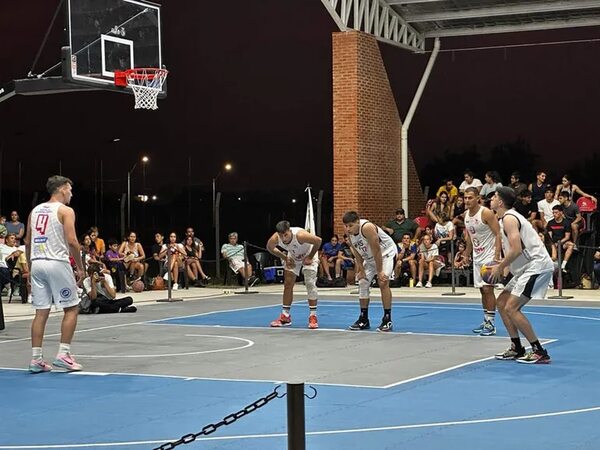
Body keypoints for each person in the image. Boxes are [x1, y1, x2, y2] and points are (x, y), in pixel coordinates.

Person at [24, 175, 85, 373]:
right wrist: (80, 267)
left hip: (37, 262)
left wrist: (31, 268)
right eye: (69, 189)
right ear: (61, 189)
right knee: (72, 308)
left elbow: (27, 241)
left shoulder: (34, 211)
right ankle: (64, 354)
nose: (71, 193)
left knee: (41, 312)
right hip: (57, 262)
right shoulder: (65, 210)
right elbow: (73, 241)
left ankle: (36, 359)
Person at [489, 187, 554, 364]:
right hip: (526, 267)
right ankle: (517, 347)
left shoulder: (509, 218)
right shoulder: (504, 218)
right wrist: (504, 264)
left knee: (511, 307)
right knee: (501, 302)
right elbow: (516, 249)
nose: (491, 199)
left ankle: (539, 351)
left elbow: (517, 249)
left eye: (494, 197)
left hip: (536, 265)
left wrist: (500, 266)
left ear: (501, 202)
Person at [343, 211, 397, 331]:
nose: (348, 228)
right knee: (362, 282)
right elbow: (356, 253)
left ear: (358, 222)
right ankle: (363, 318)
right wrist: (361, 270)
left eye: (350, 225)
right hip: (370, 257)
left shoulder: (367, 228)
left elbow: (377, 250)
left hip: (385, 254)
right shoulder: (349, 234)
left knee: (383, 282)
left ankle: (387, 319)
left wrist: (380, 271)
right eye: (346, 226)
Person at [266, 221, 322, 329]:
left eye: (286, 235)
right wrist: (285, 257)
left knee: (309, 282)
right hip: (294, 256)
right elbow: (270, 247)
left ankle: (313, 316)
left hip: (309, 253)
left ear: (290, 231)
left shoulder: (300, 235)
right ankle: (285, 316)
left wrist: (310, 257)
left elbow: (318, 241)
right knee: (288, 283)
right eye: (281, 236)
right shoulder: (276, 238)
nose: (283, 239)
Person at [463, 187, 501, 336]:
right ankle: (486, 320)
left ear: (477, 197)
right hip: (477, 257)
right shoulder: (466, 216)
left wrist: (496, 257)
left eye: (470, 197)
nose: (467, 200)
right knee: (481, 289)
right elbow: (470, 237)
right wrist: (466, 254)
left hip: (489, 256)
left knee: (488, 289)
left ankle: (491, 323)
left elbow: (498, 233)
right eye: (465, 198)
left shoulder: (485, 213)